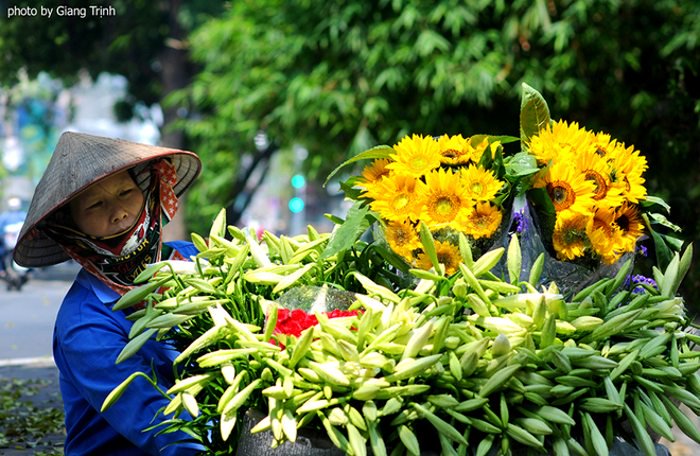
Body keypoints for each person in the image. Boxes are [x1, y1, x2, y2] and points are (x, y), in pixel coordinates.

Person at [13, 131, 204, 455]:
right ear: (71, 228)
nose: (118, 213)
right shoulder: (84, 325)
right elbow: (168, 430)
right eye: (96, 205)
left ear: (148, 193)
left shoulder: (194, 261)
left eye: (126, 192)